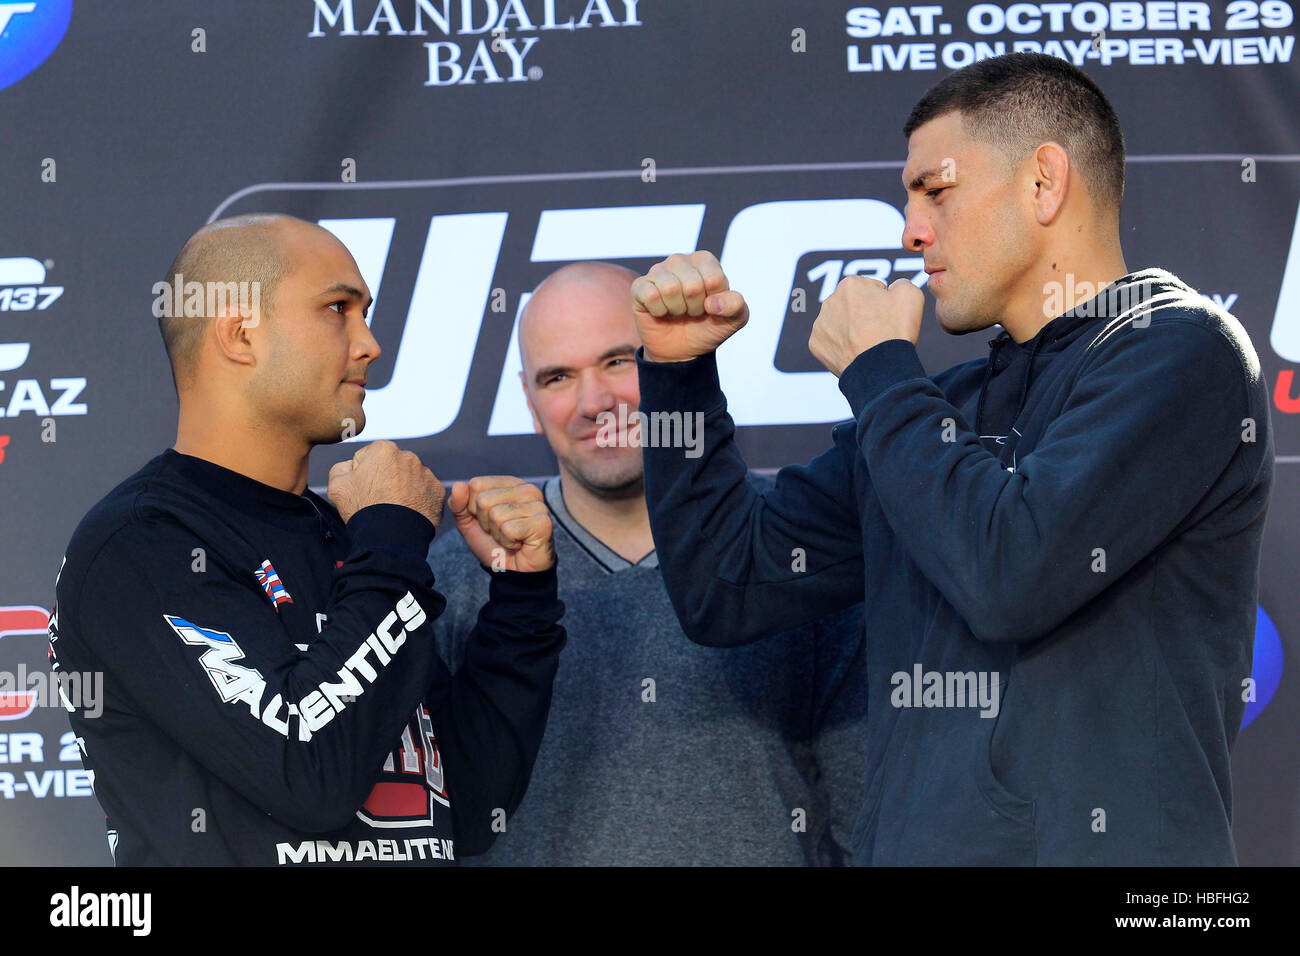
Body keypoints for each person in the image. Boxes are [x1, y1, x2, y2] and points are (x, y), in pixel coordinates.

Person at [630, 53, 1273, 865]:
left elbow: (1012, 572)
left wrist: (881, 377)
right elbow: (725, 585)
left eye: (935, 190)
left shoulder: (1182, 352)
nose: (910, 229)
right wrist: (678, 375)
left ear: (1044, 182)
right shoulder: (942, 409)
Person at [48, 213, 566, 866]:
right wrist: (392, 544)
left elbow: (463, 806)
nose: (370, 343)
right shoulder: (139, 544)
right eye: (337, 309)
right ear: (240, 334)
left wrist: (521, 603)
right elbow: (305, 770)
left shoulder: (352, 540)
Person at [429, 261, 867, 865]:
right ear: (529, 401)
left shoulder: (793, 539)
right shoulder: (460, 579)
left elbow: (868, 812)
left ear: (669, 359)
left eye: (618, 361)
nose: (594, 402)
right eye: (557, 376)